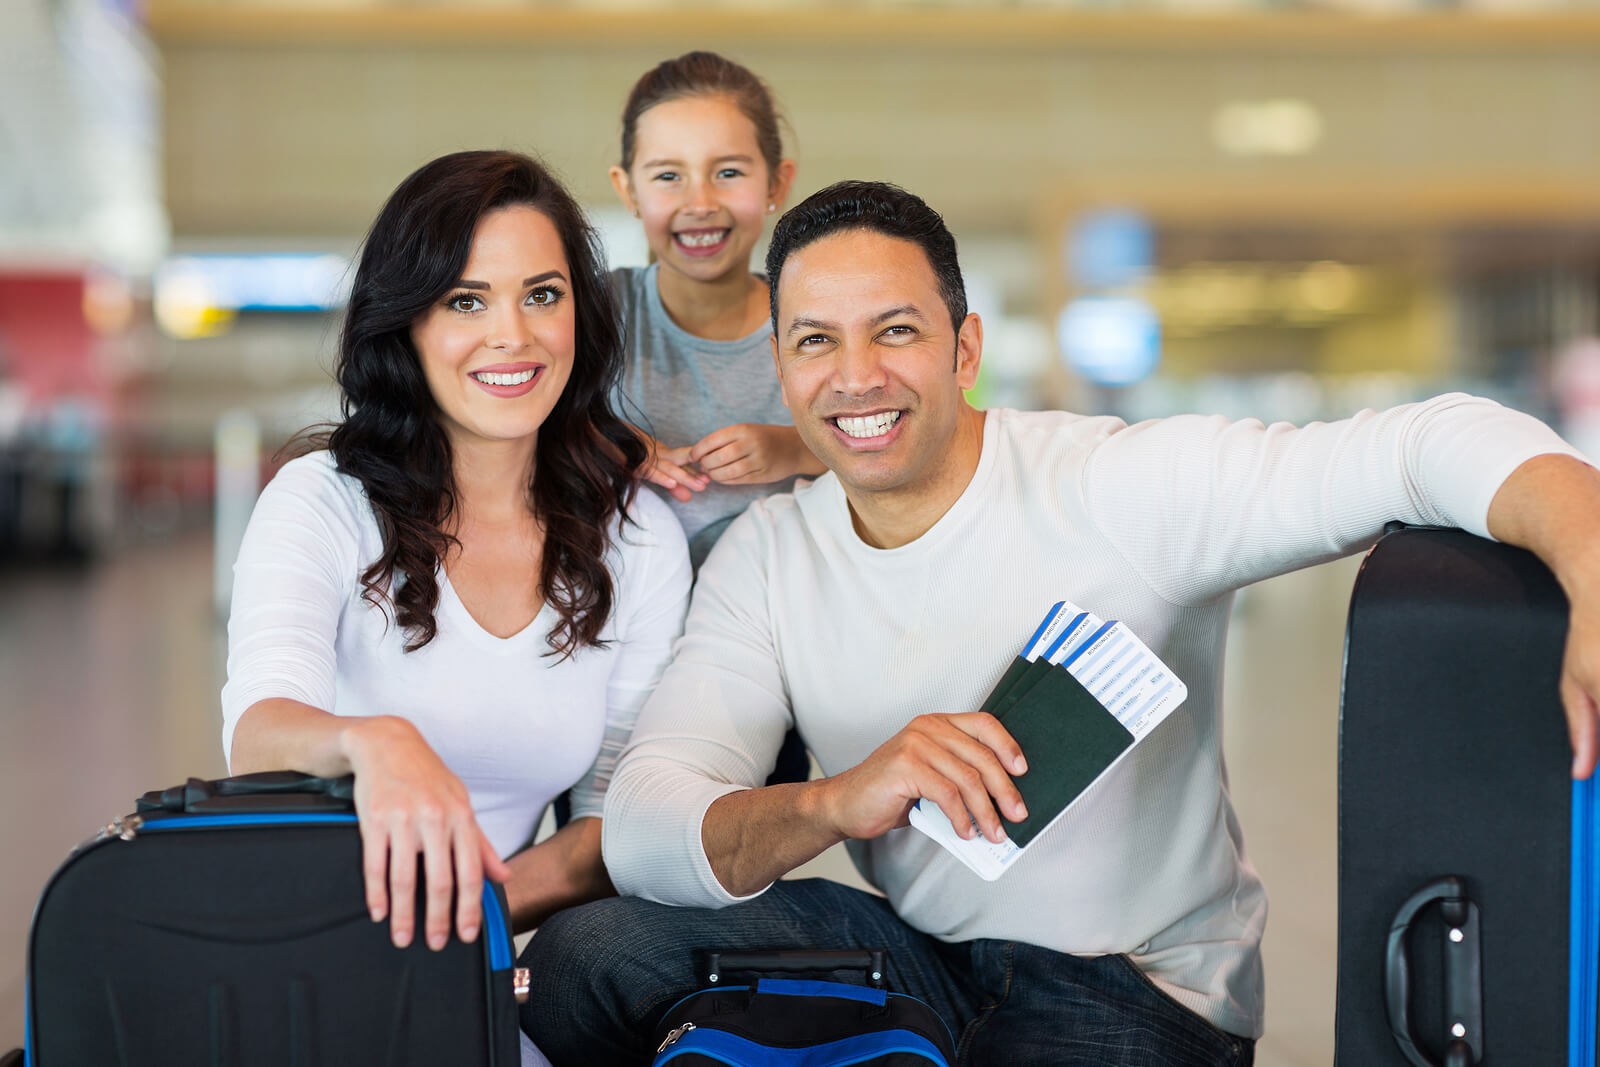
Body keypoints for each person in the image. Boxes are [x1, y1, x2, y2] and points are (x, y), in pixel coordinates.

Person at [517, 180, 1600, 1065]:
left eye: (894, 330)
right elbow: (657, 818)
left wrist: (1592, 561)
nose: (855, 376)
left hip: (1131, 986)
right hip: (928, 959)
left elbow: (1426, 443)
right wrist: (837, 800)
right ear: (783, 369)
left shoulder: (1112, 485)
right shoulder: (770, 550)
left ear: (963, 346)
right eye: (814, 342)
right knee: (588, 951)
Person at [220, 152, 692, 1063]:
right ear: (406, 326)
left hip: (482, 971)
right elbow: (259, 735)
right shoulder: (323, 498)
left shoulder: (636, 539)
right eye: (465, 300)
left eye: (542, 294)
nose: (511, 335)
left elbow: (610, 822)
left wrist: (459, 917)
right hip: (299, 959)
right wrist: (375, 740)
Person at [607, 50, 824, 568]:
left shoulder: (819, 321)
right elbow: (511, 427)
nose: (700, 201)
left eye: (727, 171)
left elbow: (900, 443)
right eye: (667, 176)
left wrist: (794, 449)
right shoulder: (593, 310)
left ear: (777, 183)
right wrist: (613, 445)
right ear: (628, 189)